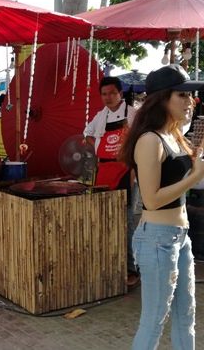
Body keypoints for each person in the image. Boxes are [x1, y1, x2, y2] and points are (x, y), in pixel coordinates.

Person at [120, 64, 204, 349]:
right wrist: (195, 177)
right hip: (157, 239)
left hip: (180, 238)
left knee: (186, 315)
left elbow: (190, 169)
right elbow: (152, 199)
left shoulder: (174, 134)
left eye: (190, 95)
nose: (191, 101)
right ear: (162, 98)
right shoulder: (149, 140)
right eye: (182, 95)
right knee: (154, 321)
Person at [84, 76, 138, 286]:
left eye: (112, 93)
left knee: (127, 221)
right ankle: (110, 264)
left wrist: (134, 171)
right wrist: (98, 147)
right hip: (104, 171)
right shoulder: (101, 116)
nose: (108, 97)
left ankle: (131, 268)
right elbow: (87, 134)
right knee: (106, 218)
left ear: (120, 94)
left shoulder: (132, 114)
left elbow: (141, 143)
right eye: (104, 94)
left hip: (126, 171)